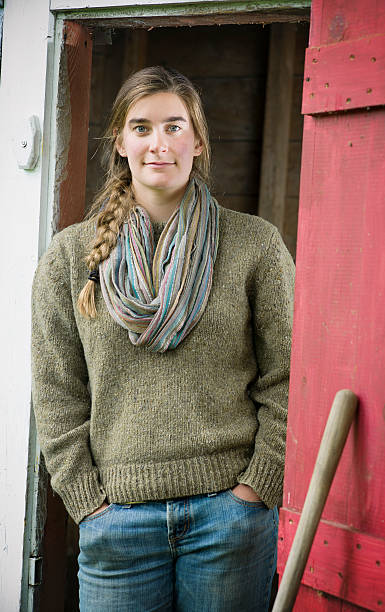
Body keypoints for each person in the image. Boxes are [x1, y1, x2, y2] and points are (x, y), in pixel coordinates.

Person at [31, 66, 295, 611]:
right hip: (117, 523)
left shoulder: (255, 246)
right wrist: (89, 504)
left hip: (230, 518)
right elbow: (56, 390)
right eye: (143, 127)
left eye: (175, 127)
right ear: (121, 141)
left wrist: (256, 489)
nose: (159, 144)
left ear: (197, 141)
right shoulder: (70, 256)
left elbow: (289, 376)